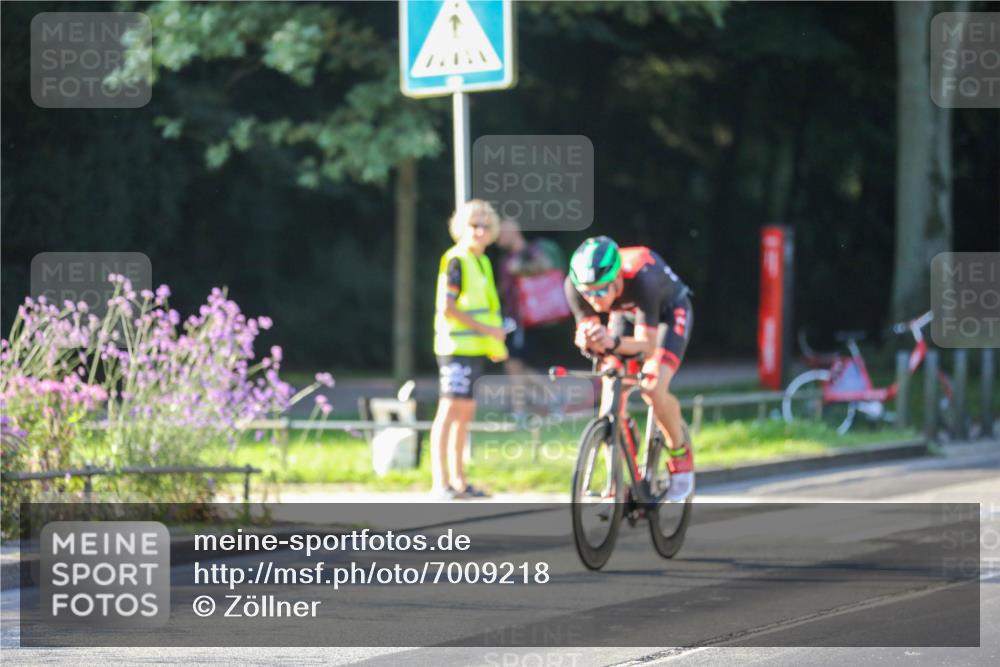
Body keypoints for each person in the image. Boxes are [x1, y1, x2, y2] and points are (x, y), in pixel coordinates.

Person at [564, 236, 695, 502]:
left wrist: (611, 341)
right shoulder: (574, 286)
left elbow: (646, 346)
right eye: (587, 293)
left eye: (600, 291)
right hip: (625, 315)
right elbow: (591, 334)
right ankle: (621, 475)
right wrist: (587, 339)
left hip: (669, 313)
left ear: (617, 279)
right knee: (611, 392)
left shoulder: (643, 277)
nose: (594, 299)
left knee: (652, 387)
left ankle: (680, 455)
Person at [430, 200, 508, 500]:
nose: (479, 231)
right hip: (456, 347)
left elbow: (487, 307)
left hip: (476, 348)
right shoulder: (455, 260)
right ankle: (441, 482)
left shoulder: (483, 262)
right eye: (473, 225)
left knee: (465, 413)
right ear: (461, 227)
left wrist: (493, 342)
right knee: (449, 410)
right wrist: (489, 331)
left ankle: (460, 482)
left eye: (485, 226)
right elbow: (448, 308)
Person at [495, 219, 570, 419]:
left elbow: (547, 267)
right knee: (514, 365)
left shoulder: (533, 251)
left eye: (501, 231)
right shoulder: (505, 260)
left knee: (513, 364)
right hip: (512, 319)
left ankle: (522, 410)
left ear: (513, 228)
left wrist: (519, 266)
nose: (497, 237)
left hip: (526, 320)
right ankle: (545, 400)